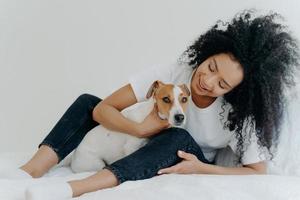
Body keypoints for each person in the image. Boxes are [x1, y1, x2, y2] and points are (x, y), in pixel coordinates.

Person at [2, 10, 299, 199]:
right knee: (86, 101)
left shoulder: (238, 116)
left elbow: (257, 171)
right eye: (211, 67)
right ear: (208, 52)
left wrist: (201, 169)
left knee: (177, 135)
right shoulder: (175, 71)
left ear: (237, 92)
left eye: (222, 84)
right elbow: (101, 109)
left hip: (183, 153)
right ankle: (31, 170)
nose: (208, 82)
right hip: (145, 138)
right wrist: (139, 129)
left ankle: (74, 188)